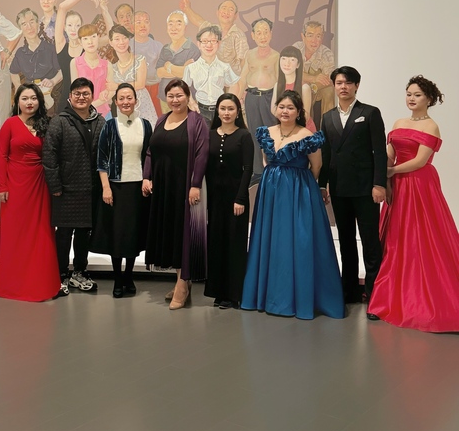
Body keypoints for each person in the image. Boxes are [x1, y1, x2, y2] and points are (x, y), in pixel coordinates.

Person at [241, 90, 345, 319]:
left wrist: (301, 187)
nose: (285, 111)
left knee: (299, 239)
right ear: (276, 109)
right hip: (270, 191)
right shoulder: (266, 132)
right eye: (282, 107)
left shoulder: (307, 135)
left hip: (298, 191)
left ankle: (299, 297)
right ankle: (269, 295)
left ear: (299, 112)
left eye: (290, 108)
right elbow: (266, 160)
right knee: (273, 238)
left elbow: (316, 167)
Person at [368, 76, 459, 332]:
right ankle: (388, 295)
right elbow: (389, 154)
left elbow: (420, 161)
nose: (411, 98)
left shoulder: (432, 126)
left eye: (417, 95)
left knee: (422, 236)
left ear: (429, 99)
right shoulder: (399, 123)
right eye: (408, 94)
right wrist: (385, 177)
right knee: (397, 238)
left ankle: (423, 297)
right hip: (397, 183)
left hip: (419, 184)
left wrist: (391, 172)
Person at [319, 66, 387, 315]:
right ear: (334, 86)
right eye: (339, 83)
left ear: (357, 85)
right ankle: (349, 292)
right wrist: (322, 185)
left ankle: (375, 296)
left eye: (348, 82)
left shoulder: (369, 113)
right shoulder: (327, 117)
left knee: (370, 242)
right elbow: (326, 154)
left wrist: (379, 184)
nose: (343, 87)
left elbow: (379, 151)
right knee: (346, 241)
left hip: (366, 189)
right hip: (339, 188)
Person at [143, 78, 210, 310]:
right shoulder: (162, 120)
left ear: (188, 97)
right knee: (172, 233)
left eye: (179, 95)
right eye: (171, 96)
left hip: (185, 186)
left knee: (184, 234)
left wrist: (195, 184)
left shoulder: (197, 122)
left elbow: (202, 154)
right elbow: (151, 151)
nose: (175, 100)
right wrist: (147, 176)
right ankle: (181, 279)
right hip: (164, 186)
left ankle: (183, 285)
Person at [0, 84, 61, 302]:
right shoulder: (10, 124)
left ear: (40, 101)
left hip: (41, 183)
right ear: (17, 102)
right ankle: (12, 285)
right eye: (24, 98)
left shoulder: (47, 124)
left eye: (33, 98)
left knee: (42, 232)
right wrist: (2, 186)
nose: (29, 102)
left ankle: (41, 283)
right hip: (15, 184)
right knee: (15, 233)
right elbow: (1, 156)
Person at [42, 78, 105, 292]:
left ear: (92, 96)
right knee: (63, 234)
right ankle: (60, 274)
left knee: (84, 233)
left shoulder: (100, 121)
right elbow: (49, 155)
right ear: (70, 96)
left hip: (91, 189)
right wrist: (55, 186)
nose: (81, 97)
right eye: (77, 93)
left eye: (85, 93)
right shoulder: (59, 121)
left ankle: (79, 272)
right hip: (66, 190)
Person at [92, 83, 152, 298]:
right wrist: (106, 187)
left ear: (136, 100)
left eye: (129, 97)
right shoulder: (110, 125)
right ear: (115, 102)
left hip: (138, 188)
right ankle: (118, 278)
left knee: (133, 234)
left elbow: (150, 156)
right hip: (115, 188)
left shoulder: (145, 125)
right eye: (121, 98)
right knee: (117, 234)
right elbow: (101, 160)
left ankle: (129, 276)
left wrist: (148, 179)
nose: (126, 102)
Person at [204, 94, 254, 309]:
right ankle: (217, 291)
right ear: (217, 110)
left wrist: (240, 198)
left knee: (234, 244)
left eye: (230, 109)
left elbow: (248, 169)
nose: (226, 113)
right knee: (216, 243)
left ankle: (234, 294)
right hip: (214, 199)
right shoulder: (209, 135)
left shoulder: (244, 136)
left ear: (237, 112)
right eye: (223, 108)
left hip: (236, 199)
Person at [234, 18, 279, 180]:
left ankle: (273, 168)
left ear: (271, 34)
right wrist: (237, 99)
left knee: (271, 134)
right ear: (252, 35)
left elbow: (279, 82)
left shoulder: (276, 55)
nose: (262, 36)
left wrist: (277, 103)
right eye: (258, 32)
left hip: (269, 98)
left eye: (265, 32)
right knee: (254, 133)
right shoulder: (250, 54)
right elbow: (243, 78)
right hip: (252, 97)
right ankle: (257, 171)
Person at [184, 25, 239, 126]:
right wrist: (191, 102)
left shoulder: (224, 67)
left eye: (213, 41)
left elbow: (235, 84)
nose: (209, 45)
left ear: (219, 43)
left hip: (220, 111)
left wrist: (228, 105)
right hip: (200, 110)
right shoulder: (191, 68)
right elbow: (184, 86)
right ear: (199, 44)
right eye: (205, 41)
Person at [180, 0, 249, 75]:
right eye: (224, 8)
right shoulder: (211, 29)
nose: (226, 12)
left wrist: (240, 80)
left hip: (229, 80)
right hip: (210, 78)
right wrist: (187, 8)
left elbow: (244, 61)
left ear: (236, 15)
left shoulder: (239, 35)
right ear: (217, 13)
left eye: (231, 10)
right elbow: (199, 21)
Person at [10, 8, 62, 108]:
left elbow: (62, 71)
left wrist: (53, 81)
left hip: (49, 93)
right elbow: (13, 72)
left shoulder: (50, 49)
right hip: (29, 94)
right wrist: (18, 86)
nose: (29, 27)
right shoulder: (20, 53)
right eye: (24, 24)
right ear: (20, 29)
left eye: (32, 22)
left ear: (38, 23)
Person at [106, 25, 157, 125]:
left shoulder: (139, 60)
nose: (121, 42)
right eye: (117, 39)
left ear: (129, 40)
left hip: (142, 106)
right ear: (111, 42)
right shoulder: (112, 67)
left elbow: (140, 84)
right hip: (123, 109)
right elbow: (110, 89)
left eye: (124, 38)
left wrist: (117, 86)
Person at [156, 11, 201, 112]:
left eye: (178, 23)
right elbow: (159, 73)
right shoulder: (165, 49)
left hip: (186, 101)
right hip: (165, 99)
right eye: (171, 24)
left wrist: (169, 66)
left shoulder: (193, 49)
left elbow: (189, 74)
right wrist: (182, 69)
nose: (174, 28)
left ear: (185, 27)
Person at [293, 21, 336, 120]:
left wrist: (313, 87)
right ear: (303, 36)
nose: (314, 41)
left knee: (329, 91)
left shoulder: (327, 53)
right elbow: (292, 71)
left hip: (317, 88)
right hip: (299, 85)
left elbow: (330, 78)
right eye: (310, 35)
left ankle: (327, 126)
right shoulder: (296, 48)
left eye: (318, 36)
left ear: (322, 38)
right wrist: (313, 78)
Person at [271, 46, 316, 132]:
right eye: (283, 59)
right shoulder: (277, 85)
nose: (287, 63)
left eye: (292, 60)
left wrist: (288, 120)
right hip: (285, 128)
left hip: (303, 130)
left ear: (298, 64)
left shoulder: (304, 88)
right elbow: (273, 109)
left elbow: (305, 116)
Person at [70, 24, 110, 116]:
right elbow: (75, 90)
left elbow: (112, 90)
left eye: (93, 37)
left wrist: (92, 105)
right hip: (82, 113)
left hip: (104, 113)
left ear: (98, 37)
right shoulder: (75, 63)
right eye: (85, 39)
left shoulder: (107, 65)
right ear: (80, 41)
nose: (90, 42)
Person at [132, 10, 164, 116]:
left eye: (146, 22)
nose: (143, 25)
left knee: (157, 118)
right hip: (135, 90)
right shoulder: (127, 46)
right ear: (132, 26)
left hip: (156, 89)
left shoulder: (158, 46)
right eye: (138, 22)